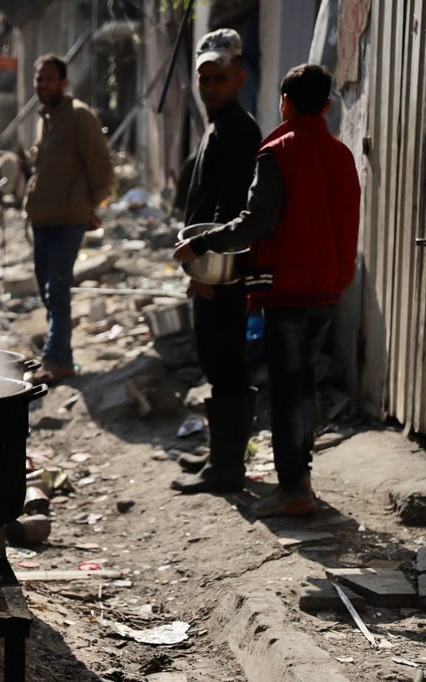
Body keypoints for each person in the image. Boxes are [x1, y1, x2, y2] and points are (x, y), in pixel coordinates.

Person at [173, 63, 361, 517]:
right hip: (327, 288)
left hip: (288, 289)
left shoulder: (277, 151)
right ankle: (300, 478)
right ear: (328, 106)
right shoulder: (341, 153)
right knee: (302, 387)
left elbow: (255, 222)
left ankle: (294, 485)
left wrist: (200, 244)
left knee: (287, 388)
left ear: (286, 103)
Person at [170, 28, 263, 495]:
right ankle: (219, 457)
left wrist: (207, 265)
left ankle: (227, 470)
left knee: (225, 364)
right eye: (204, 78)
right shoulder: (217, 125)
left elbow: (233, 214)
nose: (210, 86)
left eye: (219, 78)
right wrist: (195, 268)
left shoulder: (240, 130)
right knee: (216, 362)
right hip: (208, 266)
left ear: (239, 78)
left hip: (223, 272)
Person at [22, 54, 114, 385]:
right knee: (49, 292)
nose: (42, 84)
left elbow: (101, 168)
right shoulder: (44, 119)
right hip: (42, 219)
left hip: (68, 220)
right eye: (38, 78)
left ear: (64, 83)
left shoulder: (79, 117)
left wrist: (88, 206)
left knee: (57, 288)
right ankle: (61, 354)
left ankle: (57, 358)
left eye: (49, 78)